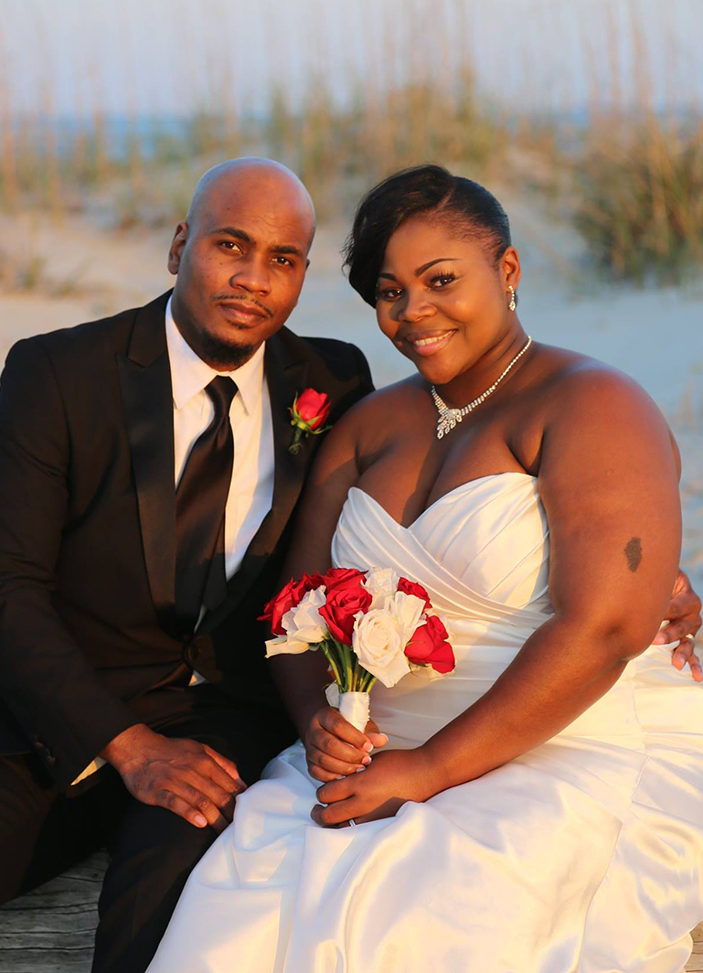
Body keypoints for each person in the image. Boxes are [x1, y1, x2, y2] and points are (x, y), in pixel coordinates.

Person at [148, 164, 703, 973]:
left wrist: (426, 772)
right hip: (371, 755)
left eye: (441, 280)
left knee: (439, 915)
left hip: (557, 743)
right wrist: (319, 727)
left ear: (507, 272)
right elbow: (297, 605)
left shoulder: (590, 403)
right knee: (238, 910)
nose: (414, 313)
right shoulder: (369, 424)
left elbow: (606, 626)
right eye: (388, 292)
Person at [0, 158, 374, 973]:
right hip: (52, 703)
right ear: (179, 246)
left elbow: (440, 462)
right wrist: (127, 745)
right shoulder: (58, 374)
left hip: (229, 715)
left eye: (284, 260)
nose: (253, 279)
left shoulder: (333, 380)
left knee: (165, 908)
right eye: (231, 245)